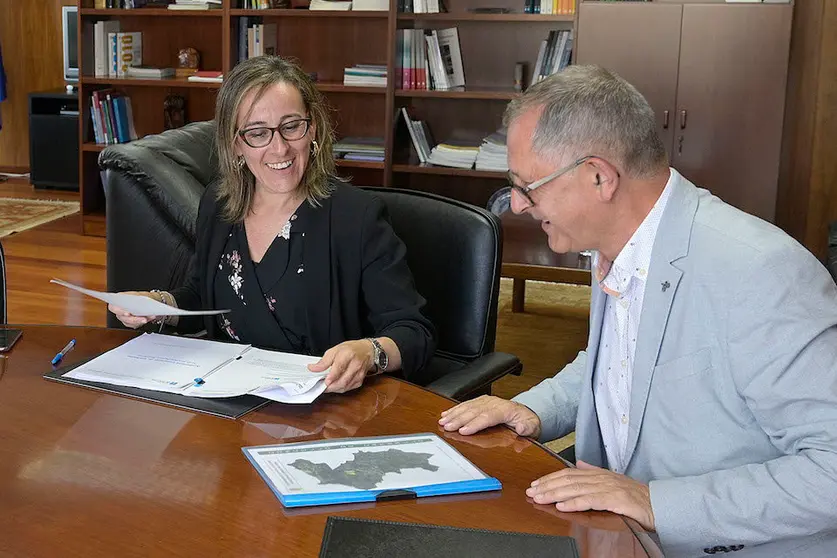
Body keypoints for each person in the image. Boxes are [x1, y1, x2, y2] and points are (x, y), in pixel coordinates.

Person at [439, 65, 837, 557]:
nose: (518, 205)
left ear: (599, 177)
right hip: (615, 536)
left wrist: (655, 502)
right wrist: (533, 408)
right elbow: (619, 361)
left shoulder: (760, 272)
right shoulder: (616, 244)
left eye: (527, 185)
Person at [109, 56, 435, 394]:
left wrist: (370, 353)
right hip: (227, 398)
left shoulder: (357, 217)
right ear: (236, 144)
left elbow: (414, 333)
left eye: (291, 126)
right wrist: (157, 305)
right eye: (257, 133)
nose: (279, 147)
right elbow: (203, 296)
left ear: (313, 129)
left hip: (321, 408)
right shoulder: (218, 204)